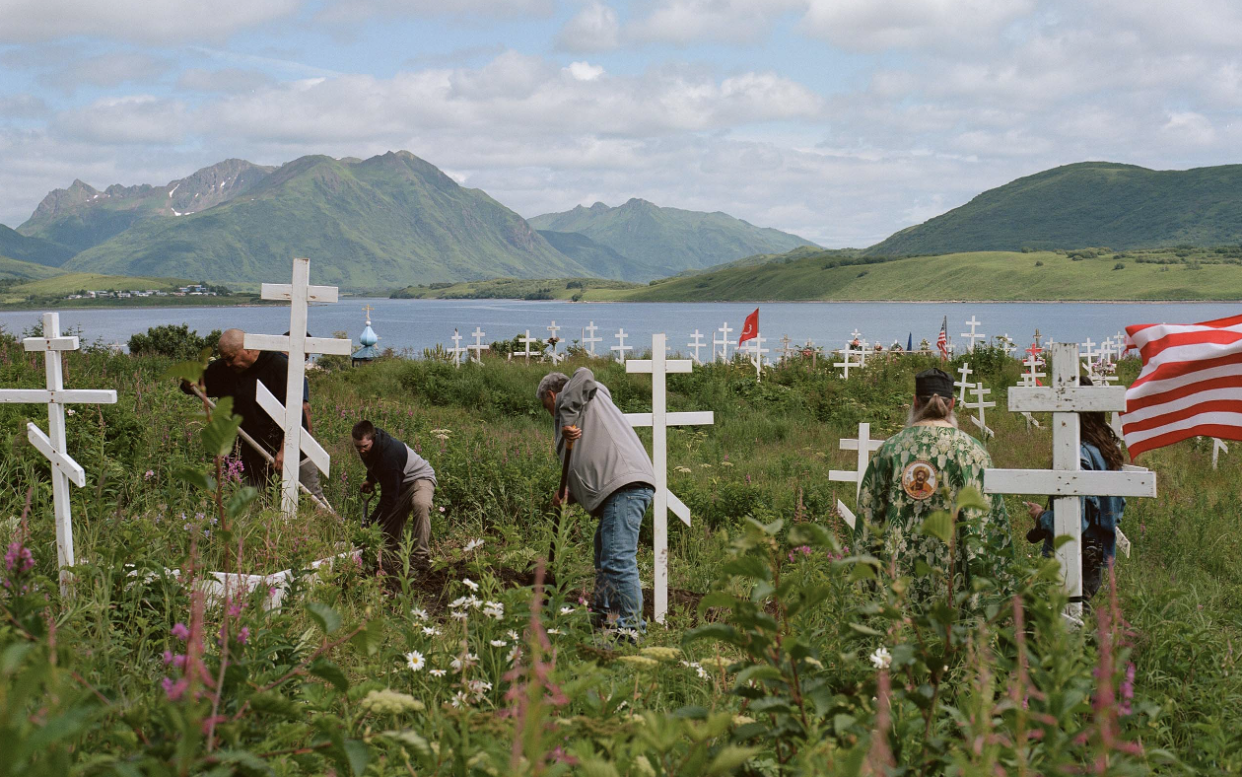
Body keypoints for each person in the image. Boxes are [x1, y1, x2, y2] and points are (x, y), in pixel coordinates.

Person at [856, 368, 1011, 597]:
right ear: (952, 404)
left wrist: (863, 594)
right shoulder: (972, 451)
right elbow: (990, 523)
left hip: (898, 589)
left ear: (915, 401)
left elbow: (868, 521)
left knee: (901, 631)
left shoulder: (890, 450)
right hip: (955, 586)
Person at [538, 368, 656, 633]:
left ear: (551, 395)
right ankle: (607, 620)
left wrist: (565, 418)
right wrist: (568, 495)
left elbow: (583, 373)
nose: (551, 415)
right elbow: (586, 464)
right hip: (615, 490)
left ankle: (631, 630)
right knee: (605, 558)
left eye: (548, 407)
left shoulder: (580, 392)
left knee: (617, 560)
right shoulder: (584, 408)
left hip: (624, 485)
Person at [180, 328, 327, 505]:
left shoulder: (279, 367)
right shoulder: (225, 369)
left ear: (247, 350)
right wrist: (189, 382)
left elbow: (297, 414)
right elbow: (195, 384)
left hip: (289, 449)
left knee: (313, 502)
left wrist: (285, 449)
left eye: (230, 358)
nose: (226, 364)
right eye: (224, 359)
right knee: (254, 507)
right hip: (249, 454)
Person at [1024, 376, 1125, 602]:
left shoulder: (1076, 456)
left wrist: (1042, 517)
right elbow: (1117, 510)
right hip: (1095, 558)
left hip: (1071, 558)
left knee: (1067, 624)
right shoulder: (1107, 451)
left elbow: (1073, 521)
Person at [351, 420, 437, 571]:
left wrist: (370, 524)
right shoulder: (371, 448)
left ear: (373, 439)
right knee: (387, 542)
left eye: (364, 446)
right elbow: (375, 464)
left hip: (420, 479)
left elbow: (389, 498)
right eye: (358, 447)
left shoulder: (389, 454)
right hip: (400, 484)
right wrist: (370, 480)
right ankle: (393, 562)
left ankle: (421, 558)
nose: (361, 451)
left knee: (421, 504)